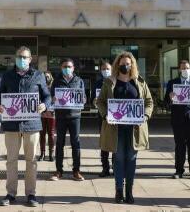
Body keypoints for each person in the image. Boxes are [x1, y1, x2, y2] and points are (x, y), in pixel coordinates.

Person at [0, 46, 51, 207]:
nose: (22, 59)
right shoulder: (7, 76)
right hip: (12, 125)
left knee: (31, 160)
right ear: (15, 58)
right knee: (11, 160)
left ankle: (31, 194)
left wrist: (44, 105)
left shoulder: (38, 76)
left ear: (30, 59)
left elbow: (47, 96)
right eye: (19, 56)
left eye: (25, 57)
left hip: (32, 124)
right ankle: (10, 193)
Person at [97, 51, 153, 204]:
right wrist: (105, 115)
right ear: (117, 65)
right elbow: (100, 101)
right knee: (119, 159)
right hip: (116, 129)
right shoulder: (109, 82)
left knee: (131, 159)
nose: (125, 66)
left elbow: (149, 102)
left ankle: (129, 191)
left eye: (128, 64)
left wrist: (145, 116)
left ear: (132, 65)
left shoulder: (140, 82)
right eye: (122, 64)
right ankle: (119, 191)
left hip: (135, 128)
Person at [164, 60, 190, 180]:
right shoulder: (172, 83)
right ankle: (179, 171)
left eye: (187, 68)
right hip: (178, 118)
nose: (185, 70)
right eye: (183, 68)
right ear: (179, 70)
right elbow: (166, 102)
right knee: (179, 145)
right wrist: (170, 98)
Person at [50, 58, 85, 181]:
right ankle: (59, 171)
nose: (67, 69)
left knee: (76, 143)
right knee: (59, 143)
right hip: (60, 117)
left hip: (75, 116)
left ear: (73, 68)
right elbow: (51, 97)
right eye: (64, 66)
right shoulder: (56, 81)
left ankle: (76, 171)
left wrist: (83, 99)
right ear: (61, 68)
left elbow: (83, 97)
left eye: (69, 66)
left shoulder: (79, 81)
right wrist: (52, 99)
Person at [94, 61, 112, 177]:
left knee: (116, 143)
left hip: (116, 117)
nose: (106, 70)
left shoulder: (115, 81)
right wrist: (94, 101)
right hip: (102, 117)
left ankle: (116, 167)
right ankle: (105, 167)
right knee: (104, 143)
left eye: (108, 68)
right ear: (100, 70)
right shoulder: (98, 83)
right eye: (103, 69)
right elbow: (93, 99)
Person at [39, 71, 55, 162]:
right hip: (42, 114)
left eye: (48, 77)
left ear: (51, 77)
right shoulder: (41, 87)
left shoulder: (54, 87)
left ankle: (51, 153)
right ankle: (42, 153)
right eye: (45, 77)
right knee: (42, 134)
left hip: (52, 114)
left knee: (51, 135)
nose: (46, 78)